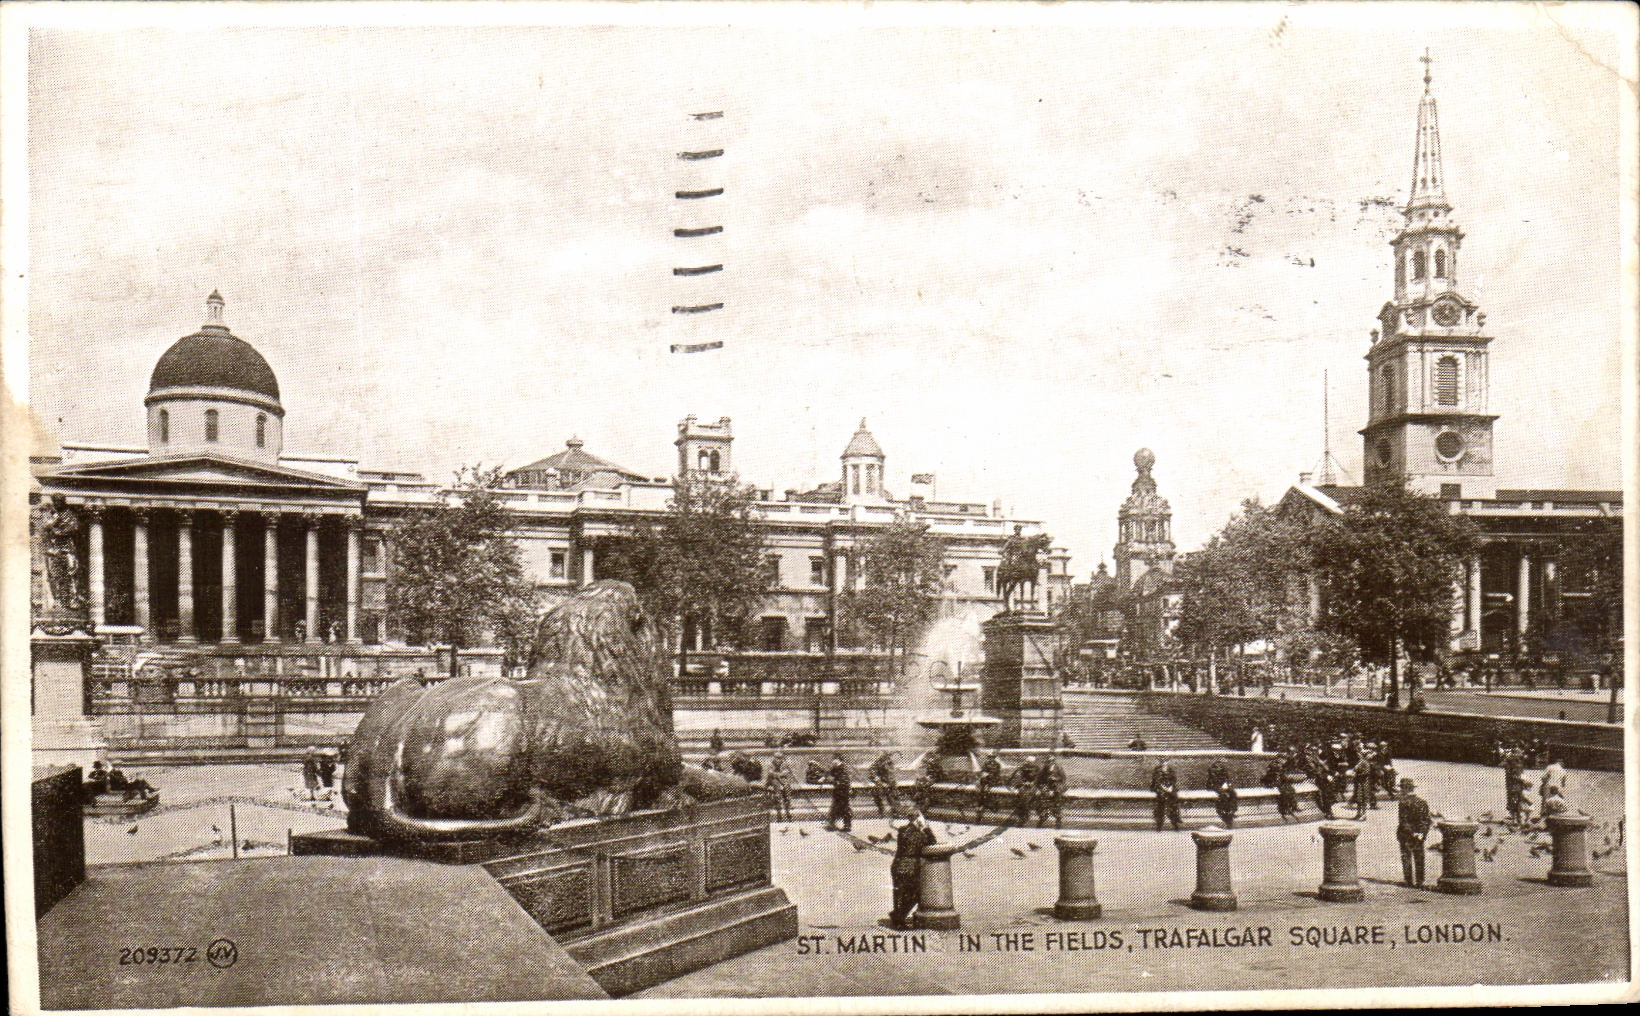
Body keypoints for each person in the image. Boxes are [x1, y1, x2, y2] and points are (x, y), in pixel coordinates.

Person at [888, 804, 938, 930]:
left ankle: (897, 916)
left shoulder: (903, 830)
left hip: (897, 865)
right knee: (916, 894)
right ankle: (898, 918)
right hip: (909, 867)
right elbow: (932, 842)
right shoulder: (917, 834)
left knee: (900, 894)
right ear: (917, 819)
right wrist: (925, 828)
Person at [1396, 777, 1434, 888]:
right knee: (1419, 856)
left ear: (1405, 789)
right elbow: (1427, 820)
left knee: (1406, 857)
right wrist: (1422, 833)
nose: (1400, 791)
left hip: (1406, 835)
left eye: (1401, 789)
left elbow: (1403, 821)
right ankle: (1420, 881)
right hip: (1420, 835)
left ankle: (1408, 881)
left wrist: (1411, 832)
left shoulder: (1403, 803)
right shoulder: (1422, 802)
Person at [1150, 756, 1182, 831]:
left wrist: (1171, 787)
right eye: (1162, 761)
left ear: (1168, 762)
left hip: (1170, 788)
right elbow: (1157, 781)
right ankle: (1159, 823)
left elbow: (1174, 780)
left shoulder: (1170, 770)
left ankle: (1175, 820)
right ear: (1160, 762)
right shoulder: (1157, 770)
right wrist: (1164, 788)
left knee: (1173, 799)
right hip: (1159, 787)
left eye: (1165, 761)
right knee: (1161, 799)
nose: (1164, 763)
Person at [1035, 754, 1067, 828]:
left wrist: (1055, 778)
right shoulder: (1045, 768)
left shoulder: (1058, 768)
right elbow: (1039, 778)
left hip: (1057, 785)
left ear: (1054, 761)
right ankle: (1043, 816)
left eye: (1052, 760)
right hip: (1047, 786)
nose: (1050, 762)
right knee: (1043, 798)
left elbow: (1063, 778)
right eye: (1049, 761)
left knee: (1057, 799)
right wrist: (1040, 786)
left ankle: (1058, 819)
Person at [973, 750, 1003, 824]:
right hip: (986, 779)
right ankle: (980, 802)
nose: (990, 759)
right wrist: (983, 774)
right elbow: (983, 770)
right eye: (989, 757)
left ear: (994, 758)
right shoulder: (986, 763)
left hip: (994, 779)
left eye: (991, 757)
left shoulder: (996, 764)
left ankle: (983, 804)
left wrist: (988, 775)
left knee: (985, 787)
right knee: (981, 785)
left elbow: (996, 773)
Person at [1009, 756, 1041, 825]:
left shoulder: (1037, 768)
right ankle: (1024, 815)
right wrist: (1024, 782)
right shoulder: (1023, 767)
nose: (1029, 763)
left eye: (1031, 762)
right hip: (1024, 784)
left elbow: (1038, 778)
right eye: (1028, 761)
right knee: (1022, 794)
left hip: (1033, 785)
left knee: (1027, 796)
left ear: (1033, 762)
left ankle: (1024, 816)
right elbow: (1019, 776)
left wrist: (1032, 783)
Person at [826, 753, 853, 832]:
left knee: (844, 809)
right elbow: (828, 774)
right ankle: (833, 824)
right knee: (836, 808)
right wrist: (826, 777)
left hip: (843, 792)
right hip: (838, 792)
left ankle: (847, 826)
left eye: (834, 759)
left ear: (838, 760)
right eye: (833, 760)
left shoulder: (843, 768)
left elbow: (843, 781)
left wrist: (833, 781)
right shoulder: (835, 768)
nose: (833, 761)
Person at [764, 751, 793, 822]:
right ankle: (779, 811)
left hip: (782, 780)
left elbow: (786, 772)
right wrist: (779, 775)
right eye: (776, 758)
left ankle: (788, 806)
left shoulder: (784, 764)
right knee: (776, 787)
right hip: (774, 780)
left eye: (779, 758)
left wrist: (777, 775)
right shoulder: (771, 764)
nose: (778, 760)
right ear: (774, 758)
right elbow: (770, 773)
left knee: (787, 787)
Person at [869, 751, 898, 818]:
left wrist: (887, 783)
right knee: (877, 793)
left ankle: (895, 812)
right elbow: (872, 770)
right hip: (881, 783)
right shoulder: (880, 762)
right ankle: (882, 811)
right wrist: (877, 779)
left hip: (889, 784)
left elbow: (891, 775)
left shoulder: (889, 763)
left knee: (891, 795)